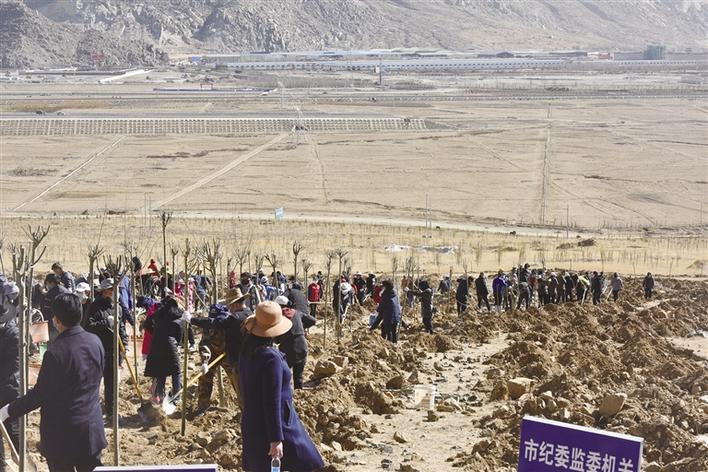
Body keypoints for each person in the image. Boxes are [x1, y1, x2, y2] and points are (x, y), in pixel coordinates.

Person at [1, 293, 107, 472]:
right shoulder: (95, 342)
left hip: (62, 435)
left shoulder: (55, 352)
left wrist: (8, 410)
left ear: (56, 320)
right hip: (90, 430)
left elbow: (40, 395)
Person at [239, 301, 324, 472]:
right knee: (307, 462)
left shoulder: (247, 351)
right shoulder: (271, 358)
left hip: (253, 421)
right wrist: (276, 439)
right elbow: (272, 400)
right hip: (280, 424)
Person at [191, 288, 249, 415]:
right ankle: (202, 406)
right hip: (213, 355)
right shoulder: (209, 328)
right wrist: (205, 361)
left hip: (228, 355)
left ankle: (245, 410)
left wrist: (193, 319)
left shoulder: (229, 322)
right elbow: (204, 344)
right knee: (205, 378)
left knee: (238, 382)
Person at [85, 278, 120, 419]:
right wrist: (106, 322)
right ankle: (90, 411)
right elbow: (88, 326)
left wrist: (124, 345)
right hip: (98, 350)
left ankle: (111, 412)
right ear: (105, 291)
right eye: (112, 290)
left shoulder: (117, 307)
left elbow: (121, 328)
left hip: (113, 351)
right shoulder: (94, 307)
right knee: (94, 383)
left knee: (111, 384)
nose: (114, 293)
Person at [144, 297, 184, 405]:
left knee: (160, 372)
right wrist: (176, 343)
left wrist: (155, 333)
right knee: (176, 372)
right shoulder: (179, 317)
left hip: (156, 344)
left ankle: (160, 397)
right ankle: (176, 397)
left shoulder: (158, 314)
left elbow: (147, 324)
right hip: (171, 345)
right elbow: (180, 336)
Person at [275, 296, 316, 389]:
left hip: (286, 349)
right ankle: (298, 392)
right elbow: (313, 320)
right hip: (301, 346)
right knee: (298, 377)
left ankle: (286, 393)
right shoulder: (297, 312)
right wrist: (301, 328)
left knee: (284, 376)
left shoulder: (278, 317)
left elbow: (276, 339)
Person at [0, 280, 19, 472]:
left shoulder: (13, 333)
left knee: (12, 427)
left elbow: (14, 365)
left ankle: (20, 459)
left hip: (9, 386)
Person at [42, 273, 69, 343]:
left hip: (55, 324)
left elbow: (47, 311)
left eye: (47, 284)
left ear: (51, 283)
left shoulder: (50, 293)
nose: (47, 286)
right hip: (67, 323)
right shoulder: (66, 291)